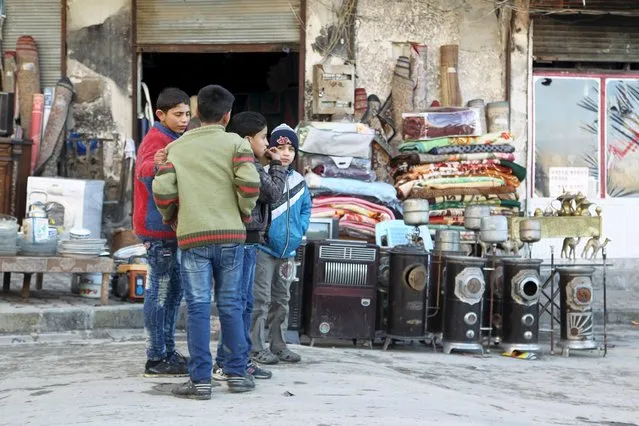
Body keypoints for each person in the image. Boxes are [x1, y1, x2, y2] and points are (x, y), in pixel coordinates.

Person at [152, 85, 260, 400]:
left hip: (193, 237)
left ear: (197, 113)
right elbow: (250, 184)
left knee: (198, 307)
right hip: (230, 237)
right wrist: (243, 213)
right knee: (231, 304)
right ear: (228, 115)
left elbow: (163, 190)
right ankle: (237, 374)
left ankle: (200, 380)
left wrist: (171, 217)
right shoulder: (237, 143)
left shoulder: (178, 147)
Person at [212, 112, 288, 383]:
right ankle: (230, 362)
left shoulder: (247, 162)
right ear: (247, 139)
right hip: (242, 240)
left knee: (241, 304)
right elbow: (273, 193)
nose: (268, 144)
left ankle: (235, 360)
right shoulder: (250, 166)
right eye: (263, 137)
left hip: (247, 240)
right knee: (240, 304)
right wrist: (277, 164)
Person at [133, 87, 190, 378]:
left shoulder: (176, 138)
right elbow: (143, 169)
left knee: (173, 291)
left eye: (187, 114)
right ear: (161, 114)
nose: (184, 120)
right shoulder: (157, 138)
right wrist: (155, 165)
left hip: (169, 231)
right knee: (161, 292)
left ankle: (167, 351)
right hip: (157, 230)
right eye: (178, 114)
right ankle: (155, 358)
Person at [250, 124, 311, 365]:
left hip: (288, 251)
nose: (285, 153)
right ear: (269, 149)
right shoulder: (262, 175)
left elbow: (306, 209)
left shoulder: (300, 182)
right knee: (260, 299)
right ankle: (256, 346)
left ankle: (278, 344)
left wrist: (299, 231)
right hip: (264, 249)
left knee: (282, 300)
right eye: (280, 148)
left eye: (291, 149)